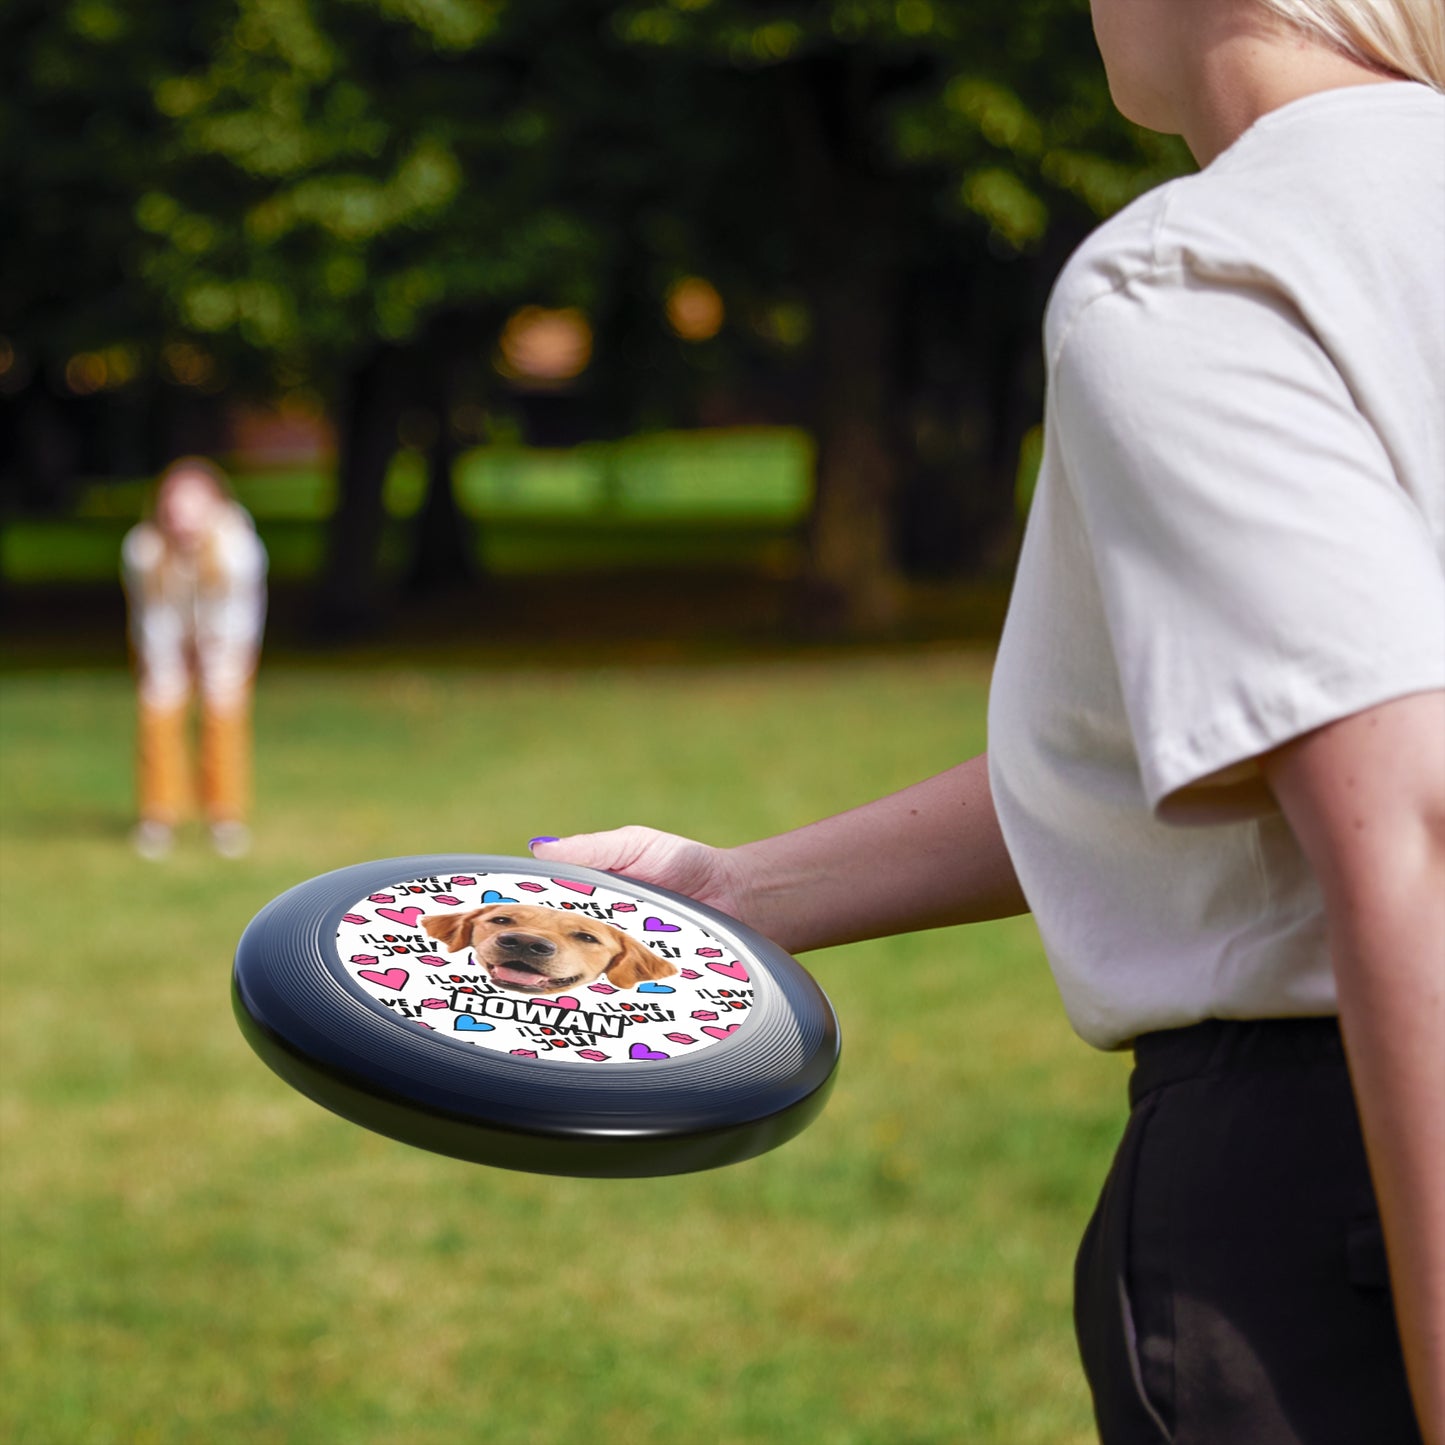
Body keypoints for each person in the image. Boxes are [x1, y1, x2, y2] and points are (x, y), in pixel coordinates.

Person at [528, 2, 1445, 1440]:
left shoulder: (1204, 270)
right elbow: (1220, 741)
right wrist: (736, 891)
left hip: (1342, 1192)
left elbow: (1408, 821)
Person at [122, 457, 268, 860]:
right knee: (158, 713)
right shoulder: (143, 549)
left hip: (226, 641)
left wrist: (215, 660)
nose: (182, 517)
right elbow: (152, 615)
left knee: (223, 717)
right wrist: (167, 665)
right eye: (174, 506)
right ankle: (158, 816)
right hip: (165, 640)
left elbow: (239, 615)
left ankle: (225, 817)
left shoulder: (238, 548)